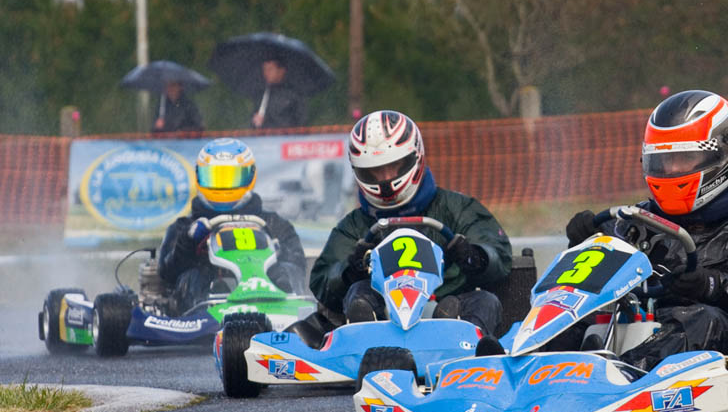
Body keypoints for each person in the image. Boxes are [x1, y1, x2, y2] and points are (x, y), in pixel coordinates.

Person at [564, 90, 728, 372]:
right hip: (642, 325)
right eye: (663, 160)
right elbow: (598, 285)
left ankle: (621, 377)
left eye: (685, 158)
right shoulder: (636, 220)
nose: (671, 169)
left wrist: (710, 285)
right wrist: (586, 244)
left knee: (699, 319)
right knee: (572, 319)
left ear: (723, 151)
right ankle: (522, 370)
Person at [291, 110, 512, 346]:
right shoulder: (355, 225)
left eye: (394, 166)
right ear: (359, 172)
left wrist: (475, 256)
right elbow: (322, 280)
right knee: (359, 293)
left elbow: (499, 252)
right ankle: (367, 338)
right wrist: (349, 271)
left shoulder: (457, 208)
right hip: (384, 317)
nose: (385, 179)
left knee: (485, 301)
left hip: (447, 304)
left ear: (414, 159)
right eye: (374, 171)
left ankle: (465, 345)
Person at [157, 137, 307, 316]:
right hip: (208, 309)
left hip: (267, 298)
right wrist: (188, 242)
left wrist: (277, 251)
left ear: (250, 176)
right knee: (193, 277)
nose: (223, 187)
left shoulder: (273, 224)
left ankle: (288, 314)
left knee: (286, 271)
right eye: (215, 177)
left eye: (230, 178)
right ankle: (202, 319)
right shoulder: (184, 227)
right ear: (199, 177)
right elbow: (167, 274)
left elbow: (298, 264)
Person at [251, 58, 307, 129]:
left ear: (281, 71)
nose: (266, 73)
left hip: (285, 138)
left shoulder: (294, 93)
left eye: (270, 69)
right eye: (264, 69)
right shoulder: (262, 93)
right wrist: (254, 122)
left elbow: (300, 123)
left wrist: (266, 122)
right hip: (261, 138)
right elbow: (254, 124)